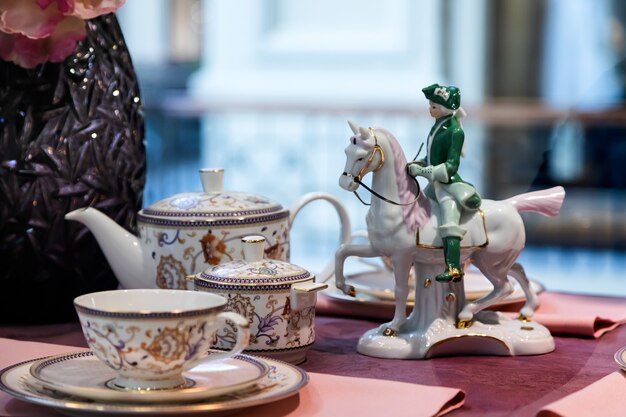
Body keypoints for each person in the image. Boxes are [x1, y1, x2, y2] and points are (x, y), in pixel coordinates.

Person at [407, 83, 481, 283]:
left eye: (435, 105)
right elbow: (432, 157)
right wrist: (418, 162)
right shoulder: (437, 126)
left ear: (448, 107)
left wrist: (423, 171)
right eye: (431, 104)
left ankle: (454, 267)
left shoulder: (455, 131)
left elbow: (450, 167)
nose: (430, 108)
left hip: (448, 186)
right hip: (434, 186)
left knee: (449, 224)